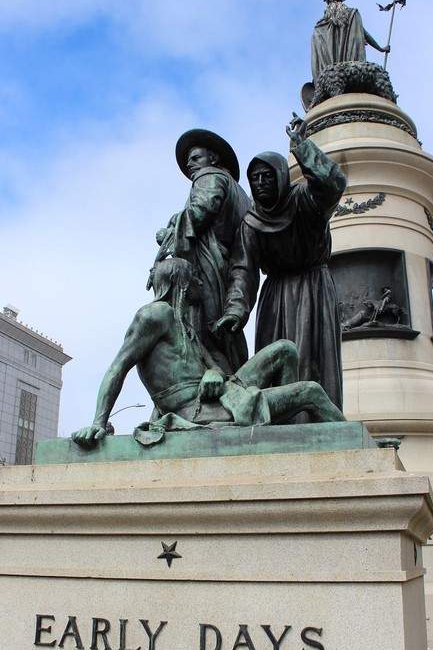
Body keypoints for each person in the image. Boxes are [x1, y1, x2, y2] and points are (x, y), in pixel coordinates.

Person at [72, 259, 345, 450]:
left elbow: (215, 370)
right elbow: (118, 367)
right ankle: (358, 443)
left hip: (222, 394)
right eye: (194, 277)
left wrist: (214, 371)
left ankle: (289, 438)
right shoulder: (154, 315)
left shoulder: (183, 324)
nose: (200, 283)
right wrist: (98, 421)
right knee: (310, 392)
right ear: (180, 282)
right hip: (197, 410)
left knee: (285, 349)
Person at [214, 114, 346, 412]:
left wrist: (302, 147)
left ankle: (318, 422)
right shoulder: (251, 221)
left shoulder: (304, 200)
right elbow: (243, 270)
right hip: (275, 298)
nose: (260, 182)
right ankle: (281, 422)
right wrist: (235, 308)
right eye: (254, 177)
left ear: (281, 176)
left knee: (314, 359)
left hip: (313, 288)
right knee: (275, 364)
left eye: (267, 175)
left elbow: (333, 184)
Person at [151, 129, 250, 375]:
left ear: (214, 159)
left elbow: (201, 209)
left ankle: (223, 392)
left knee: (205, 335)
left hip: (207, 268)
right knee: (222, 338)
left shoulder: (210, 177)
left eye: (195, 158)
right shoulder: (241, 193)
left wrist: (171, 233)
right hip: (227, 267)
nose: (190, 165)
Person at [311, 0, 389, 83]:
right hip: (349, 70)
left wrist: (380, 49)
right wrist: (380, 49)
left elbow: (317, 62)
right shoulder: (350, 15)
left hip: (334, 76)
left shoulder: (320, 27)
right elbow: (365, 34)